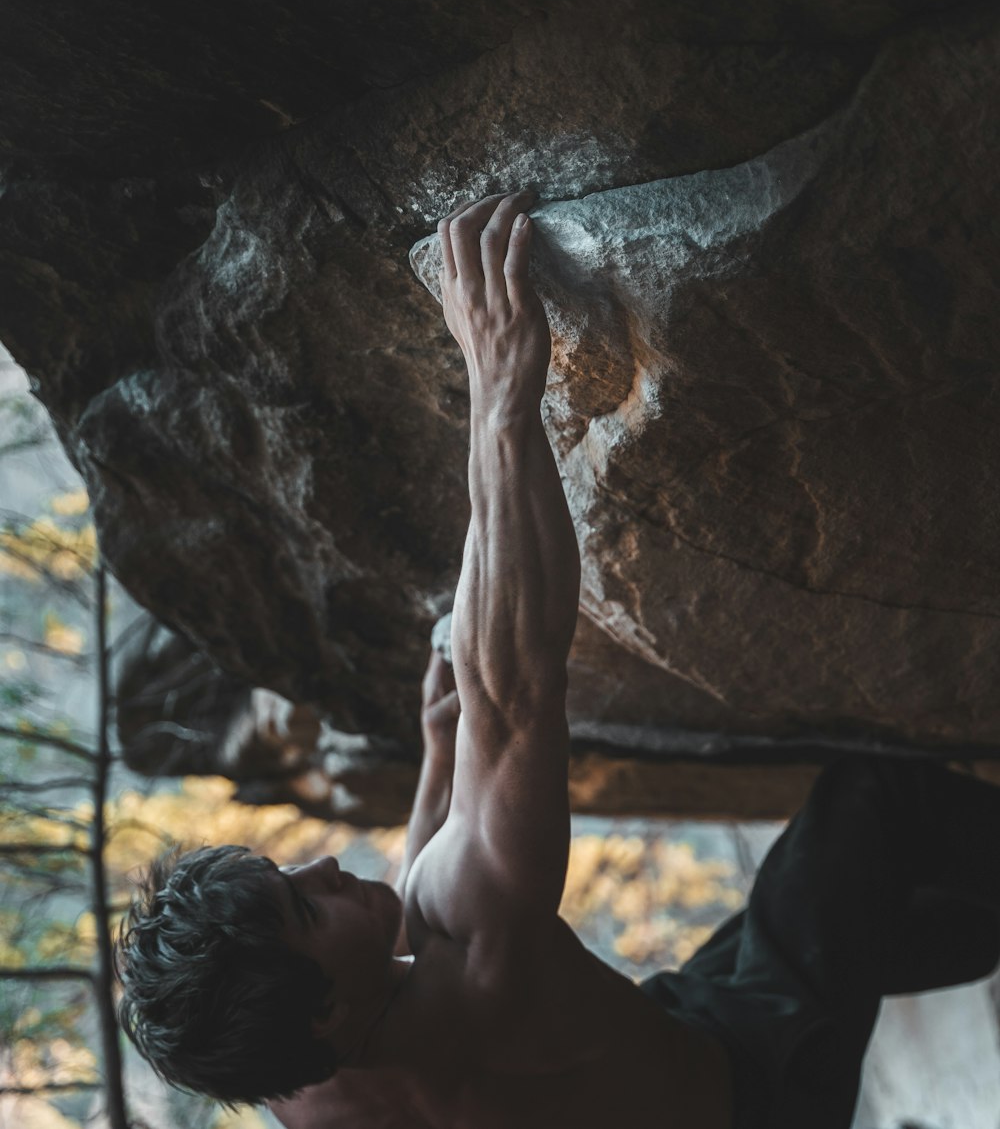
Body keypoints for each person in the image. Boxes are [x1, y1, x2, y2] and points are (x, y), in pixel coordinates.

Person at [116, 192, 1000, 1129]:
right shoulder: (483, 936)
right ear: (323, 1004)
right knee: (870, 804)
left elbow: (411, 944)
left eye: (286, 874)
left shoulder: (312, 1091)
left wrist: (434, 759)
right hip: (759, 1073)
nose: (324, 864)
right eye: (305, 908)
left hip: (664, 1061)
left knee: (836, 925)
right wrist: (500, 394)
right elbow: (517, 681)